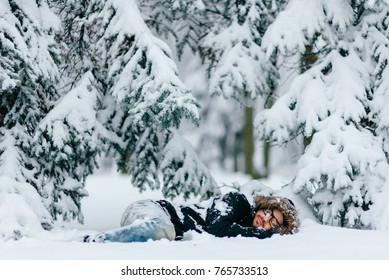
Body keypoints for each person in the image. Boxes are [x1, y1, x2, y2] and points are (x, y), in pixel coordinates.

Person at [83, 191, 300, 243]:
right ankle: (98, 242)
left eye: (274, 224)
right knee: (162, 229)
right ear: (263, 206)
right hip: (152, 210)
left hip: (154, 223)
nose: (266, 220)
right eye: (268, 213)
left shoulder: (244, 229)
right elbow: (217, 229)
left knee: (163, 233)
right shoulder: (237, 201)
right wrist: (260, 233)